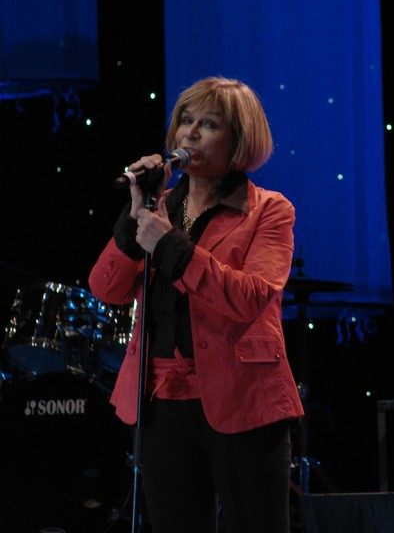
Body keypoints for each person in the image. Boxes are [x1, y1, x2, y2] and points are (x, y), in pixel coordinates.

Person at [88, 76, 304, 533]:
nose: (190, 133)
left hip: (244, 398)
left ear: (239, 140)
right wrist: (136, 215)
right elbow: (105, 289)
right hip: (161, 400)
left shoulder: (270, 211)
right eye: (186, 120)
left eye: (209, 124)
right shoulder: (158, 209)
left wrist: (170, 245)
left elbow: (250, 298)